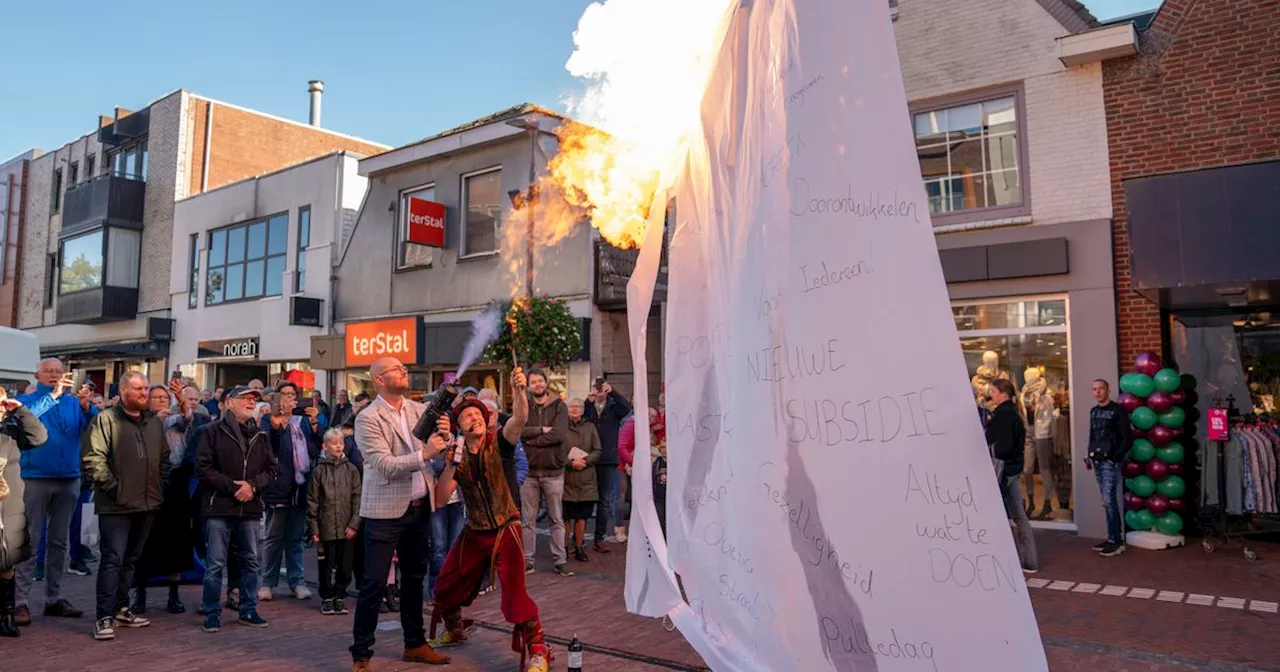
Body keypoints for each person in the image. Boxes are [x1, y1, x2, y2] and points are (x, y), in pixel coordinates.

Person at [431, 368, 552, 672]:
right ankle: (455, 628)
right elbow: (441, 499)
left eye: (478, 415)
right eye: (467, 416)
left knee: (514, 596)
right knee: (445, 586)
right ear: (458, 425)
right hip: (475, 532)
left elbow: (520, 420)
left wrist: (520, 391)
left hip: (505, 529)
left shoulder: (500, 442)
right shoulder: (457, 453)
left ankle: (539, 651)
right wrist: (448, 467)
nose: (475, 419)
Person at [349, 357, 451, 671]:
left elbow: (438, 453)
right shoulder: (368, 418)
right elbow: (384, 466)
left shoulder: (420, 410)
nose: (403, 371)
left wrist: (444, 437)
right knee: (374, 584)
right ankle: (362, 654)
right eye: (396, 369)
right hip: (384, 513)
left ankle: (415, 644)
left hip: (420, 508)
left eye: (404, 368)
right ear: (378, 379)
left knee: (414, 580)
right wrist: (427, 452)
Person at [82, 371, 172, 641]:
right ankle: (103, 616)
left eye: (146, 388)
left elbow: (164, 459)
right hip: (116, 506)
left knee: (131, 560)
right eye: (138, 389)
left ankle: (122, 608)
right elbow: (93, 460)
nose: (145, 393)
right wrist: (115, 489)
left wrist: (160, 485)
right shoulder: (105, 420)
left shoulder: (154, 423)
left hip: (147, 503)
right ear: (123, 391)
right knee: (112, 560)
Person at [14, 358, 95, 626]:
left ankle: (54, 598)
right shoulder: (25, 401)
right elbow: (27, 420)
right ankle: (20, 602)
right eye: (49, 371)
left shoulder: (72, 402)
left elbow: (92, 427)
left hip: (68, 478)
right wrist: (55, 396)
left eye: (59, 372)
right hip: (34, 477)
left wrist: (87, 407)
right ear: (37, 374)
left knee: (59, 543)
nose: (54, 375)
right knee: (29, 541)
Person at [195, 385, 276, 633]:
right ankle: (211, 611)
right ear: (229, 403)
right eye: (245, 398)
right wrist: (233, 487)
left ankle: (248, 609)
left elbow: (271, 470)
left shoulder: (261, 436)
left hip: (250, 506)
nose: (251, 402)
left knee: (251, 561)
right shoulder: (212, 431)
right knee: (216, 562)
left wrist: (252, 486)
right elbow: (203, 468)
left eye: (254, 399)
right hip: (220, 506)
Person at [131, 381, 202, 615]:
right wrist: (155, 422)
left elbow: (188, 420)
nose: (161, 400)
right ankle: (139, 592)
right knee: (145, 538)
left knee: (178, 540)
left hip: (176, 483)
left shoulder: (176, 420)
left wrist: (181, 399)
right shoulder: (140, 421)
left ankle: (174, 593)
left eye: (164, 397)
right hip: (148, 484)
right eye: (156, 397)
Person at [259, 381, 322, 602]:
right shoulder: (268, 419)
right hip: (277, 487)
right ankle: (267, 582)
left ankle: (298, 582)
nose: (289, 399)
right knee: (273, 538)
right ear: (275, 398)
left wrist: (315, 423)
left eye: (293, 395)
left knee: (295, 538)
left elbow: (315, 449)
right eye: (284, 394)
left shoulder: (302, 421)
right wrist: (277, 426)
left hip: (300, 486)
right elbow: (269, 449)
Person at [0, 387, 49, 637]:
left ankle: (6, 616)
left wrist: (20, 410)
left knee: (7, 563)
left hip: (9, 506)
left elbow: (39, 437)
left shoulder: (10, 428)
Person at [519, 369, 571, 576]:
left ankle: (560, 560)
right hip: (529, 472)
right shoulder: (524, 405)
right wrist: (540, 430)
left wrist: (531, 441)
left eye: (540, 381)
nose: (538, 385)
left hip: (553, 471)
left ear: (546, 382)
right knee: (527, 520)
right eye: (534, 382)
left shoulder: (560, 406)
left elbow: (559, 434)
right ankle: (527, 560)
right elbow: (519, 429)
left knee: (556, 518)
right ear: (529, 386)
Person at [986, 378, 1038, 574]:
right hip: (1012, 470)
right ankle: (1028, 560)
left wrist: (992, 447)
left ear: (1003, 394)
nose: (991, 394)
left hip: (1004, 470)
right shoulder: (1013, 414)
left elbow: (1003, 446)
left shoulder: (1002, 415)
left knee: (1005, 516)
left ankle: (1006, 559)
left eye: (993, 391)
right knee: (1018, 516)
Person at [308, 429, 362, 616]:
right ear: (325, 446)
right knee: (326, 565)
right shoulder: (318, 471)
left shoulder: (352, 469)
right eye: (334, 442)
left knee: (346, 565)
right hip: (326, 526)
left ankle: (340, 595)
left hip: (347, 527)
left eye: (341, 442)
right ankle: (326, 597)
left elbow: (358, 498)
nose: (338, 446)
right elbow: (313, 501)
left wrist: (354, 524)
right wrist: (314, 528)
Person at [584, 379, 629, 551]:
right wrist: (588, 400)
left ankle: (599, 538)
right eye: (596, 387)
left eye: (602, 387)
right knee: (585, 498)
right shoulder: (588, 406)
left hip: (608, 459)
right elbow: (579, 416)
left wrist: (613, 392)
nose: (599, 391)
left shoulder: (613, 407)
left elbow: (626, 408)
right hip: (588, 458)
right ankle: (579, 537)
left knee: (604, 501)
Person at [1089, 379, 1132, 557]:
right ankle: (1111, 537)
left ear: (1108, 390)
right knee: (1106, 501)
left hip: (1110, 461)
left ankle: (1117, 540)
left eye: (1101, 389)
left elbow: (1127, 438)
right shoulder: (1094, 411)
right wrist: (1089, 453)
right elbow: (1092, 434)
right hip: (1097, 460)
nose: (1098, 392)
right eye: (1094, 389)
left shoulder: (1117, 410)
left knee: (1109, 500)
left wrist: (1115, 458)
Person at [563, 398, 601, 563]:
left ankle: (579, 548)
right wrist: (570, 463)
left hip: (586, 478)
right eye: (572, 406)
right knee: (565, 517)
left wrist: (584, 461)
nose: (575, 409)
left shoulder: (590, 427)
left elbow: (597, 449)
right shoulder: (561, 427)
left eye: (578, 406)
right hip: (566, 478)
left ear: (583, 409)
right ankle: (563, 549)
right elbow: (556, 451)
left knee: (581, 517)